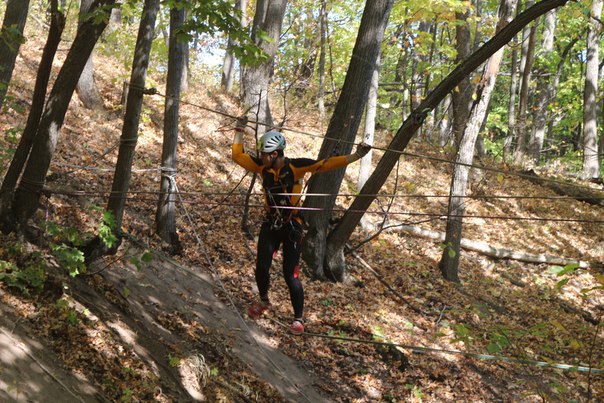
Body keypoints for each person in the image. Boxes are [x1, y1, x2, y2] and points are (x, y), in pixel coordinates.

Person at [231, 125, 371, 335]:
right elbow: (237, 156)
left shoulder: (296, 167)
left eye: (265, 153)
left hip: (291, 226)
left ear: (275, 154)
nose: (261, 156)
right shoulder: (262, 167)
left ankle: (298, 319)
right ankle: (263, 301)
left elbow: (325, 165)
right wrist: (239, 131)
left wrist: (356, 156)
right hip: (271, 224)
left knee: (291, 275)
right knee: (261, 266)